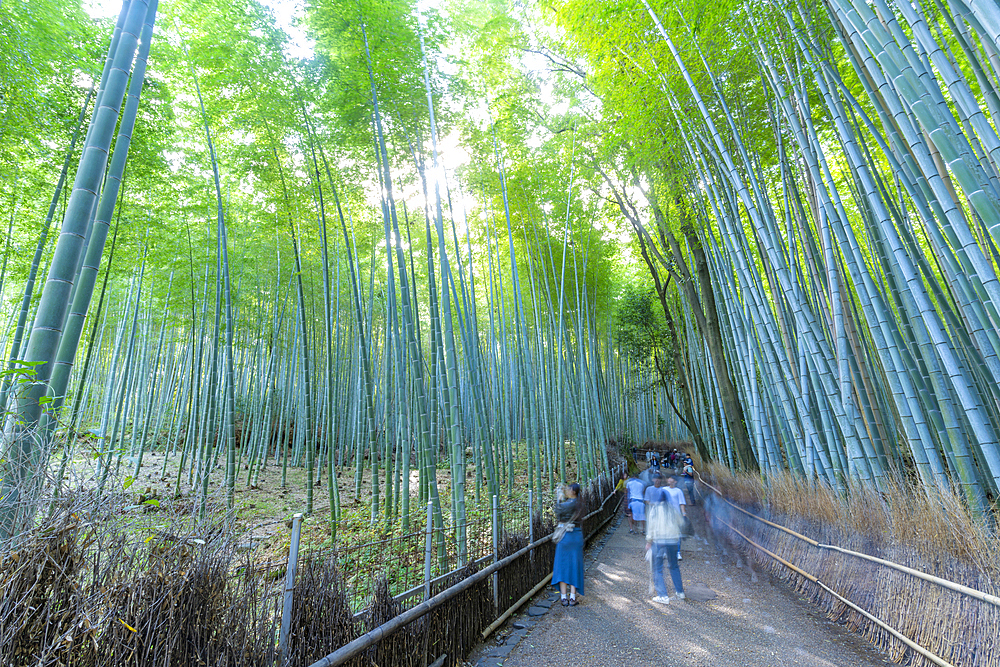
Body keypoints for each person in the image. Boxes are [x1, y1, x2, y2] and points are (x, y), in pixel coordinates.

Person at [644, 473, 685, 604]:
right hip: (673, 540)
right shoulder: (672, 509)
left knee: (658, 568)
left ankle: (663, 595)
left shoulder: (655, 509)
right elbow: (681, 523)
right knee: (674, 566)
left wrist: (649, 541)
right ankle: (680, 592)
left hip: (659, 541)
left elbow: (651, 527)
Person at [552, 482, 585, 606]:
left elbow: (558, 513)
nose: (566, 490)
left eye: (568, 489)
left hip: (565, 537)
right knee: (575, 565)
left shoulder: (566, 505)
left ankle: (563, 597)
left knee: (562, 565)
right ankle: (572, 597)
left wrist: (559, 499)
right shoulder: (580, 504)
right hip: (576, 536)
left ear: (573, 491)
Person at [665, 475, 687, 560]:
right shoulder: (664, 490)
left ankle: (677, 552)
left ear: (675, 481)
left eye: (672, 479)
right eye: (669, 478)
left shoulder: (678, 491)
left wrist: (684, 514)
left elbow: (682, 503)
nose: (670, 480)